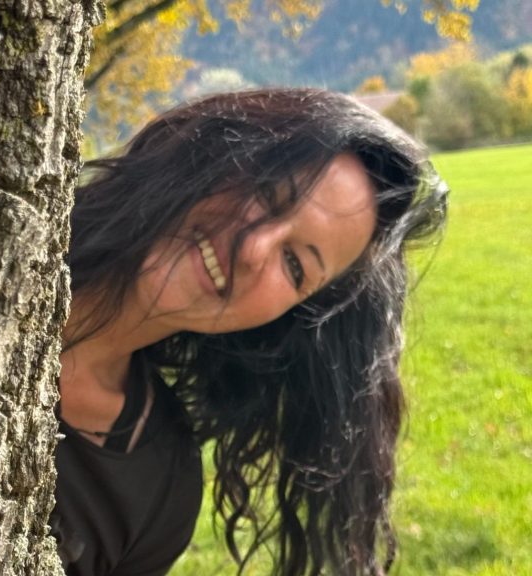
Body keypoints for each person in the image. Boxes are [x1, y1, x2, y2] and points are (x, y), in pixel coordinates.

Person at [50, 88, 448, 576]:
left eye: (295, 265)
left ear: (286, 318)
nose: (254, 249)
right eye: (265, 193)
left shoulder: (160, 491)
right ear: (212, 151)